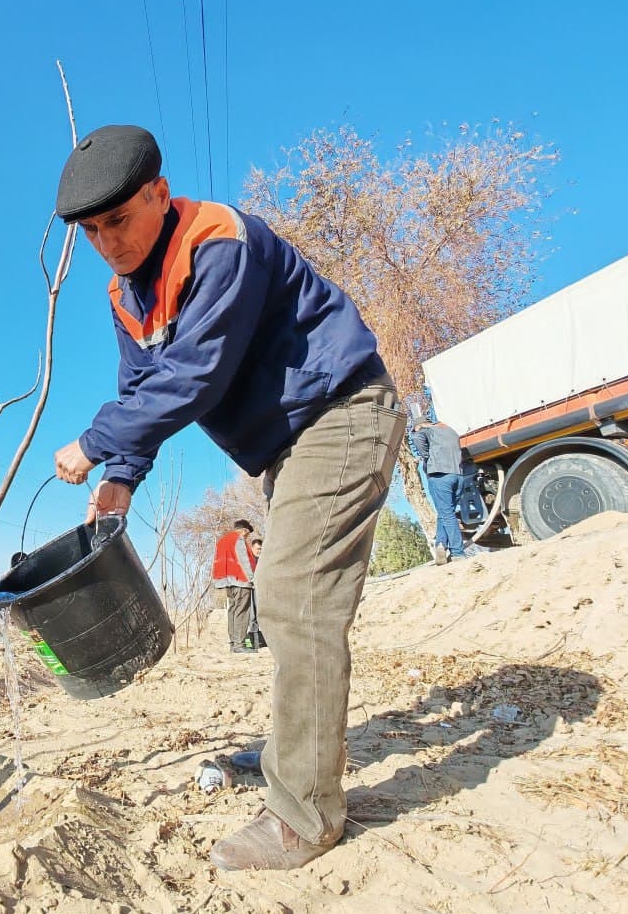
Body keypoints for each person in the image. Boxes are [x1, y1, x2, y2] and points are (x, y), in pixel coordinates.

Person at [50, 125, 405, 871]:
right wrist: (118, 481)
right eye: (91, 232)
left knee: (292, 594)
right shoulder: (125, 298)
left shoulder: (219, 240)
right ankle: (292, 752)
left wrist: (91, 443)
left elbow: (194, 375)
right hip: (287, 451)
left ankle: (303, 819)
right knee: (288, 598)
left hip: (341, 411)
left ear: (158, 192)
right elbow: (143, 391)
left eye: (118, 220)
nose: (108, 242)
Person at [410, 417, 482, 564]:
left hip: (439, 476)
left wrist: (426, 456)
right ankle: (441, 544)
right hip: (458, 476)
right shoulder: (450, 431)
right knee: (445, 512)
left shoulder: (425, 431)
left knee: (447, 515)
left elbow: (417, 437)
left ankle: (457, 552)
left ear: (419, 425)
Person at [212, 520, 257, 653]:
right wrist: (252, 577)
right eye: (247, 534)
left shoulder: (222, 541)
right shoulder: (239, 539)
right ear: (244, 530)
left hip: (227, 582)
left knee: (232, 611)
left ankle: (233, 643)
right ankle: (239, 644)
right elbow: (243, 559)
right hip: (241, 580)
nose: (247, 537)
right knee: (242, 612)